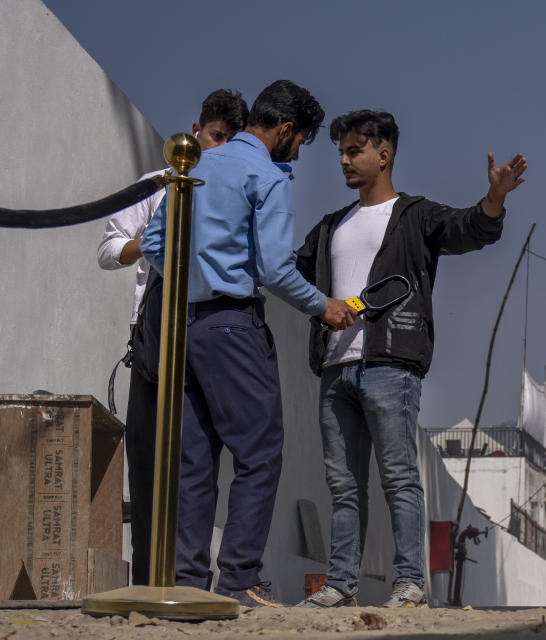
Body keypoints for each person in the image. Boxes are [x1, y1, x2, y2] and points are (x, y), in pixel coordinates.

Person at [294, 110, 527, 608]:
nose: (343, 160)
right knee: (343, 484)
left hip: (391, 364)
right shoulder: (329, 226)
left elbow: (469, 230)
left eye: (354, 150)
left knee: (398, 477)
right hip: (335, 367)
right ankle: (340, 583)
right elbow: (288, 273)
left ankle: (409, 581)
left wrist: (494, 199)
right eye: (340, 152)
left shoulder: (416, 215)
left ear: (384, 154)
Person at [140, 80, 358, 607]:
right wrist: (323, 306)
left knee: (193, 459)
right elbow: (274, 269)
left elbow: (151, 246)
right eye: (301, 141)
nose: (299, 153)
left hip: (178, 328)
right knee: (259, 452)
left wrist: (193, 274)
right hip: (233, 327)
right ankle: (239, 580)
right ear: (285, 130)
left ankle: (189, 585)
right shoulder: (267, 174)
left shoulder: (195, 166)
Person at [96, 89, 248, 585]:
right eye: (214, 135)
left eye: (229, 140)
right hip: (153, 342)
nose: (217, 146)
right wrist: (152, 244)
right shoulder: (157, 186)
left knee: (197, 467)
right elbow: (107, 248)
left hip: (211, 342)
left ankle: (187, 581)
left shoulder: (237, 190)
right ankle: (145, 579)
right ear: (195, 131)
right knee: (146, 465)